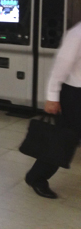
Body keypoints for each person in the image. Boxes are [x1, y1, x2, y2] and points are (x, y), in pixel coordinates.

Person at [25, 21, 81, 199]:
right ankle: (36, 177)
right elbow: (60, 68)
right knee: (63, 141)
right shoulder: (77, 34)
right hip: (75, 94)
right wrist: (52, 96)